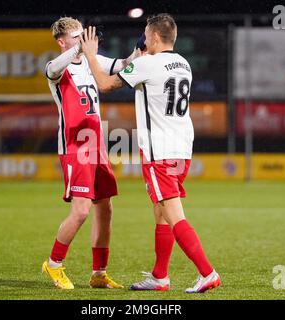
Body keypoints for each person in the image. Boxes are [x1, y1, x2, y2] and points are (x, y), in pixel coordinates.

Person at [80, 13, 221, 293]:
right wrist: (136, 59)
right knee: (161, 214)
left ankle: (207, 273)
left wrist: (91, 55)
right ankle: (160, 277)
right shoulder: (183, 63)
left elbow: (105, 85)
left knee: (174, 214)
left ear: (155, 37)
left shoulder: (148, 64)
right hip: (182, 148)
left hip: (161, 152)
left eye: (146, 34)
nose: (144, 38)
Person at [42, 16, 140, 290]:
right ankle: (54, 264)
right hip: (75, 146)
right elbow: (52, 67)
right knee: (81, 211)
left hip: (96, 145)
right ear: (62, 42)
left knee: (105, 208)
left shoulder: (89, 60)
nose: (82, 41)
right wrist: (82, 48)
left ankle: (99, 273)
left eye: (82, 35)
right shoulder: (56, 68)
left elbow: (121, 65)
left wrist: (139, 51)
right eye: (76, 37)